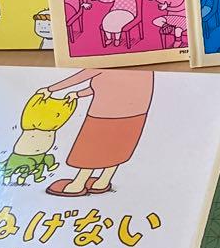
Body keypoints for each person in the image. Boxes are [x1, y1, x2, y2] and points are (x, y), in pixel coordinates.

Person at [36, 68, 154, 197]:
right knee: (116, 149)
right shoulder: (144, 71)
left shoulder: (107, 63)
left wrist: (50, 89)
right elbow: (107, 85)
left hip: (104, 114)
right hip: (136, 114)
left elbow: (84, 76)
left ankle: (77, 185)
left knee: (92, 149)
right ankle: (103, 182)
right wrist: (79, 94)